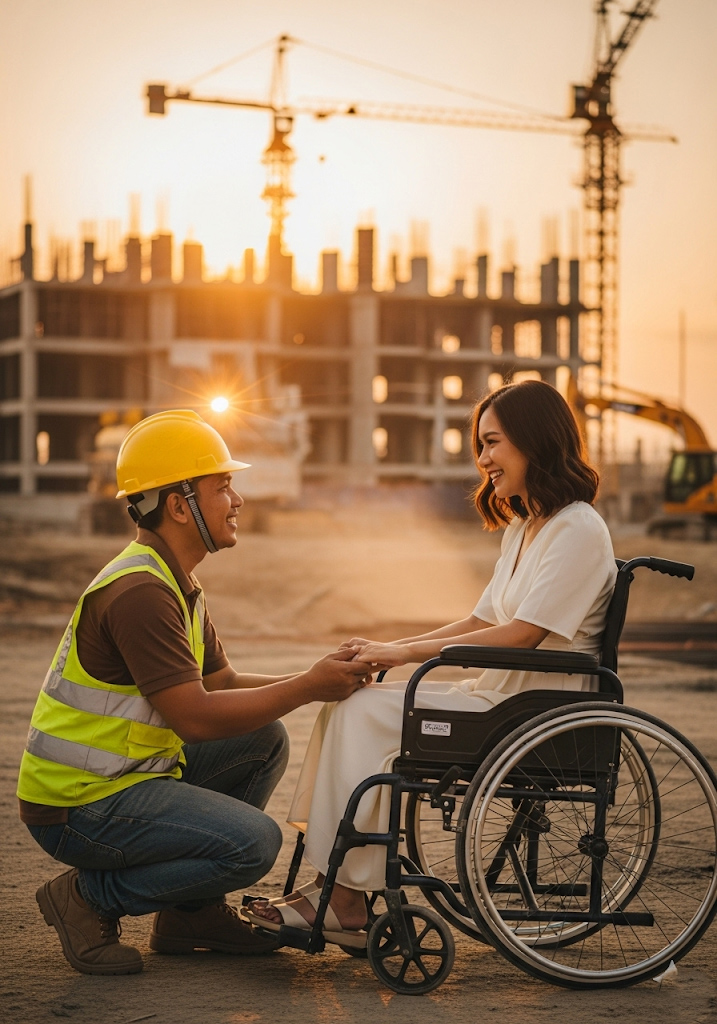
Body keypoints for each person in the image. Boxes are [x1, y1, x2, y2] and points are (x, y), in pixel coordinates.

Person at [246, 379, 617, 948]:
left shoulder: (578, 529)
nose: (483, 459)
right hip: (498, 697)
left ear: (534, 440)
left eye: (493, 443)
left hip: (537, 709)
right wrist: (391, 645)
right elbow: (477, 623)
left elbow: (522, 633)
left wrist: (404, 654)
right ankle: (336, 886)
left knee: (366, 713)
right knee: (350, 703)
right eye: (480, 445)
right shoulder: (525, 529)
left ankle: (342, 895)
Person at [17, 409, 371, 976]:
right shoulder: (140, 592)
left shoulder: (177, 582)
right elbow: (198, 719)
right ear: (180, 505)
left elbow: (221, 685)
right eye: (222, 486)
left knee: (264, 739)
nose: (237, 500)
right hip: (77, 806)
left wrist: (322, 680)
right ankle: (87, 901)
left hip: (121, 781)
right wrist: (307, 686)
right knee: (253, 844)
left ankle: (190, 915)